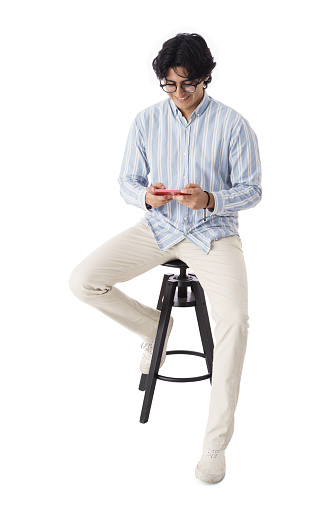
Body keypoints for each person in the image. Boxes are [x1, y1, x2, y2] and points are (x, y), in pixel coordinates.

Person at [69, 33, 262, 484]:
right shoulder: (145, 121)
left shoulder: (234, 124)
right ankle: (155, 328)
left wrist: (212, 198)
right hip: (157, 229)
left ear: (206, 78)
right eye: (170, 85)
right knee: (83, 281)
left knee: (234, 319)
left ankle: (215, 445)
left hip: (213, 234)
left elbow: (252, 190)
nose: (179, 94)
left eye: (188, 84)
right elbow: (126, 180)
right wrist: (144, 195)